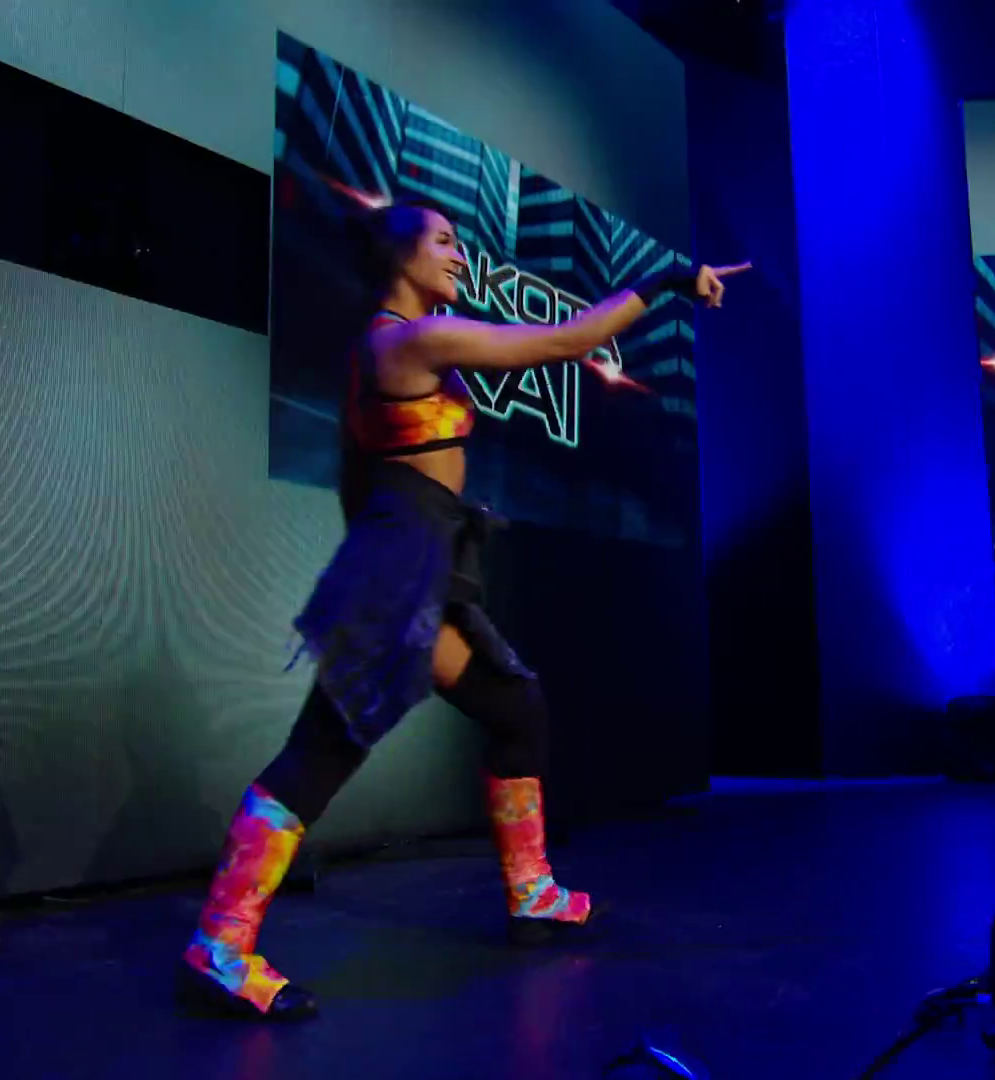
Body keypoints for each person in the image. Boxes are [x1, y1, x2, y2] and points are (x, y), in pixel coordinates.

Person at [178, 199, 749, 1021]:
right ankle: (219, 947)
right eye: (443, 241)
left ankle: (532, 895)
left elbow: (359, 476)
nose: (458, 253)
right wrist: (667, 280)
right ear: (400, 257)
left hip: (421, 564)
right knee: (323, 749)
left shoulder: (389, 347)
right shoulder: (411, 340)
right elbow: (565, 342)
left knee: (515, 706)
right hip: (403, 569)